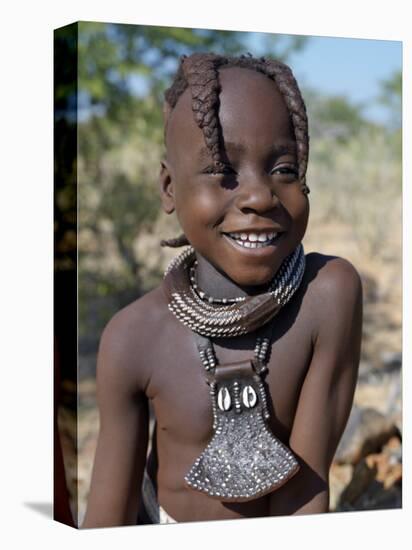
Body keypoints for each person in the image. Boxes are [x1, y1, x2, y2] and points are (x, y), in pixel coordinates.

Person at [81, 53, 362, 528]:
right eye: (222, 170)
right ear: (169, 188)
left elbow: (304, 494)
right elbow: (108, 518)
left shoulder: (326, 296)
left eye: (285, 170)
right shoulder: (133, 337)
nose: (258, 196)